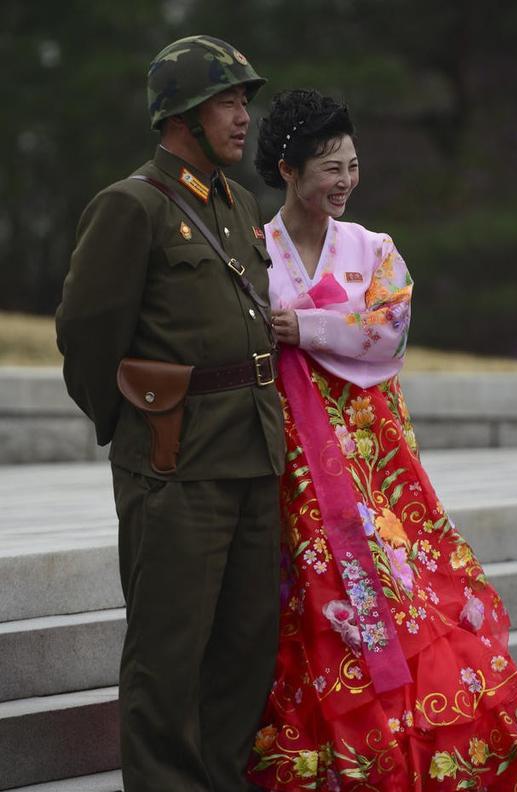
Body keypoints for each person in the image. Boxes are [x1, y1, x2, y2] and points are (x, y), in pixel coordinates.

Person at [246, 89, 517, 791]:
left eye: (353, 165)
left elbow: (389, 328)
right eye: (330, 167)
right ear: (289, 170)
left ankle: (417, 738)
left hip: (373, 458)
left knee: (403, 583)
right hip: (291, 455)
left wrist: (306, 328)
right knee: (316, 589)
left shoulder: (373, 248)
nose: (346, 181)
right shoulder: (253, 250)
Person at [56, 36, 285, 792]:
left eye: (244, 100)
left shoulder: (239, 202)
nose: (243, 116)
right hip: (175, 464)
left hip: (253, 456)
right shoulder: (132, 206)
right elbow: (87, 335)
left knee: (247, 644)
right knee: (169, 649)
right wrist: (140, 427)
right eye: (228, 100)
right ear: (183, 112)